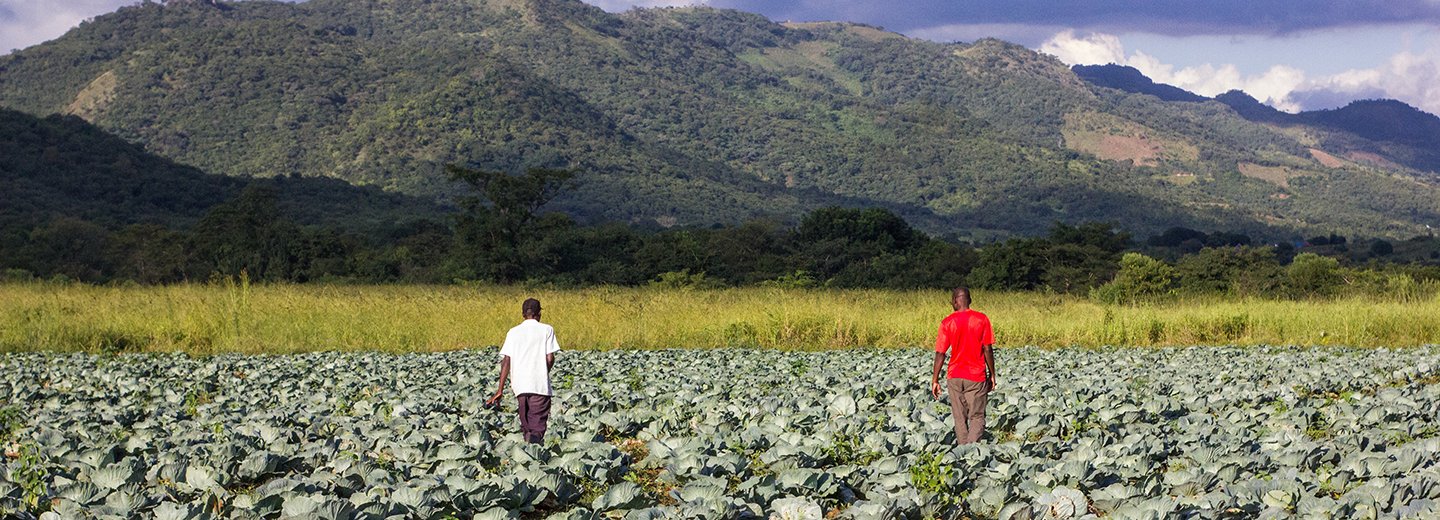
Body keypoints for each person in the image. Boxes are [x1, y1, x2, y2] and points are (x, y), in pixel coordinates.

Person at [485, 298, 561, 444]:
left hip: (519, 386)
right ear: (539, 313)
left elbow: (506, 361)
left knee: (526, 426)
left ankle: (528, 455)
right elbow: (550, 358)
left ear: (523, 314)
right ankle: (534, 452)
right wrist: (542, 373)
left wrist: (499, 390)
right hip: (539, 387)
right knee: (537, 428)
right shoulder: (546, 329)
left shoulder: (513, 332)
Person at [930, 286, 997, 444]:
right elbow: (987, 348)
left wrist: (935, 380)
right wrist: (992, 374)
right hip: (976, 376)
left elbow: (940, 353)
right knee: (977, 417)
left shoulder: (948, 322)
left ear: (954, 301)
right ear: (970, 300)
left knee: (959, 418)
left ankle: (962, 453)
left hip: (954, 376)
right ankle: (971, 455)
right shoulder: (981, 319)